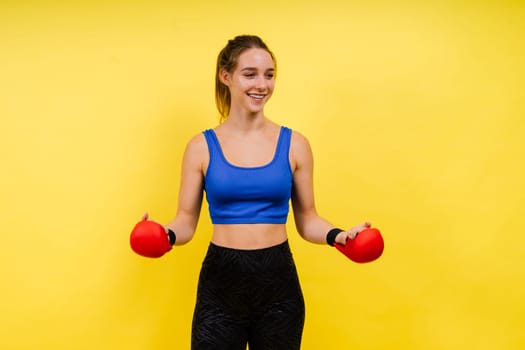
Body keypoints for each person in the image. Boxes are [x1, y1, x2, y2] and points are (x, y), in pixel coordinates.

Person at [143, 34, 371, 350]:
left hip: (278, 286)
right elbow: (185, 222)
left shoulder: (295, 145)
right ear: (226, 76)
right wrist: (163, 234)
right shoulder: (200, 148)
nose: (261, 84)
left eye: (269, 74)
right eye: (249, 74)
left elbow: (307, 220)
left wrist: (339, 235)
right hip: (220, 286)